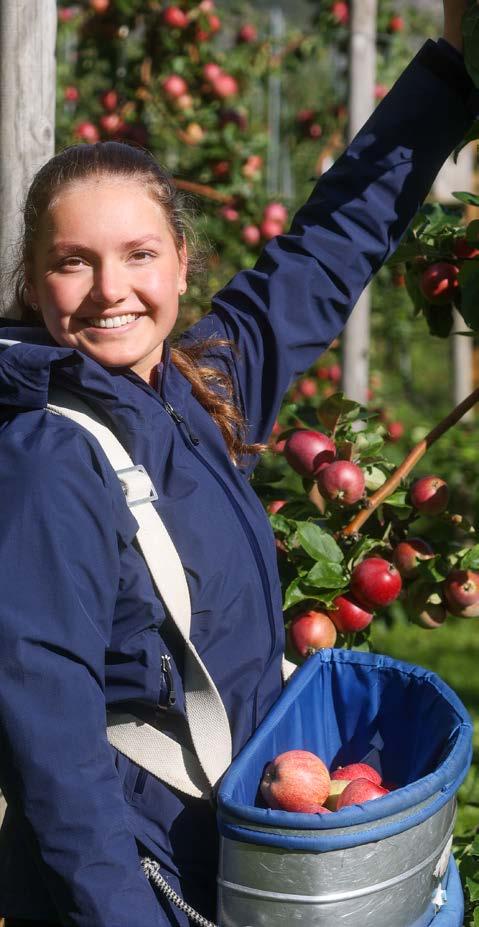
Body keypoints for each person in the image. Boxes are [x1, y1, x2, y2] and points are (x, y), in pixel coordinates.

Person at [0, 3, 476, 925]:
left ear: (182, 264)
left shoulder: (193, 387)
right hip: (137, 880)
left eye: (139, 254)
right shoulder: (46, 461)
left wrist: (451, 72)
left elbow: (327, 249)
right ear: (33, 282)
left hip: (231, 852)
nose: (110, 289)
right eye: (73, 262)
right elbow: (53, 755)